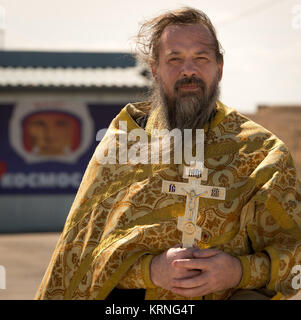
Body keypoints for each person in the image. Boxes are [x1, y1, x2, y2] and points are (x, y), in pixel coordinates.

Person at [35, 7, 301, 300]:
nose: (189, 70)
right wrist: (150, 271)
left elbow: (295, 257)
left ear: (219, 67)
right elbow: (80, 258)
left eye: (201, 58)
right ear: (155, 68)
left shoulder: (263, 153)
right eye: (174, 59)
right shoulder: (126, 141)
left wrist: (239, 271)